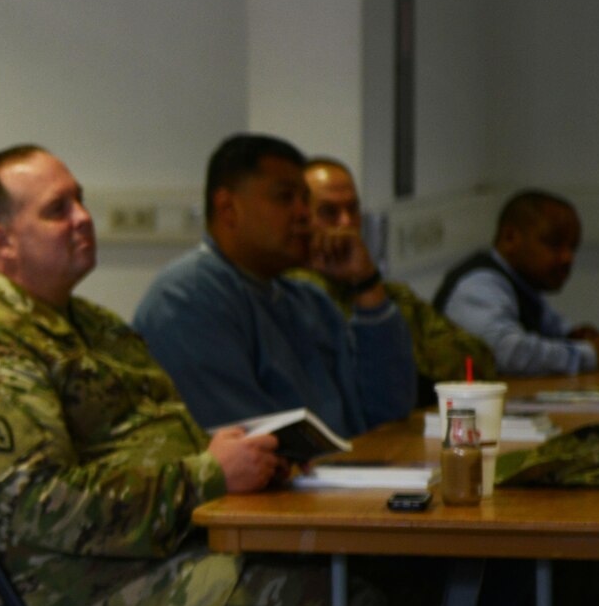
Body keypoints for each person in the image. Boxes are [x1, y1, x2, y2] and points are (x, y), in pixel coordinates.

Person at [0, 145, 387, 606]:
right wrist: (209, 475)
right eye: (57, 210)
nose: (83, 218)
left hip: (168, 549)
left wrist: (238, 454)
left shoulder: (90, 324)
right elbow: (43, 505)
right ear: (3, 242)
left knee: (386, 580)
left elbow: (149, 440)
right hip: (91, 595)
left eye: (80, 201)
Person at [133, 134, 415, 436]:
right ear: (228, 208)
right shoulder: (185, 298)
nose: (304, 213)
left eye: (305, 199)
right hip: (290, 469)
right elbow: (253, 440)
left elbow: (390, 411)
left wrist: (366, 283)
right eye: (285, 198)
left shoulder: (308, 299)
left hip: (351, 463)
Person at [289, 158, 495, 399]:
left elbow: (479, 361)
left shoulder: (389, 293)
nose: (346, 222)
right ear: (301, 218)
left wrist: (367, 283)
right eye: (328, 212)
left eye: (353, 209)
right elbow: (349, 381)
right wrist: (414, 353)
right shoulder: (290, 294)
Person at [434, 190, 599, 375]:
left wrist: (574, 336)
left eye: (573, 247)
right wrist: (588, 355)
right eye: (554, 243)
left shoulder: (524, 285)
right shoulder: (478, 284)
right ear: (510, 238)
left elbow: (553, 328)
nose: (568, 258)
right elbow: (507, 353)